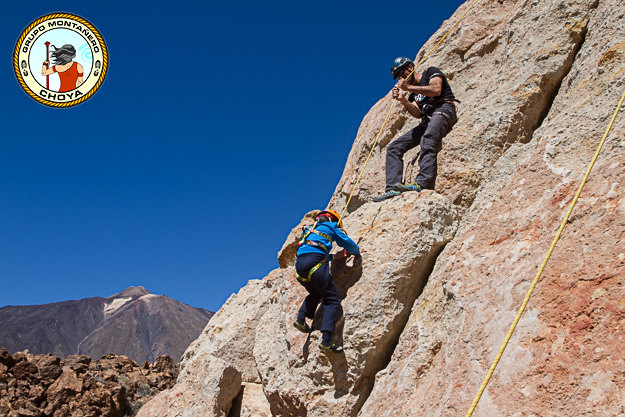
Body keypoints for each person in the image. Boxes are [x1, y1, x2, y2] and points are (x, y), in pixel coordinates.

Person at [373, 57, 458, 202]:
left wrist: (409, 88)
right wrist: (403, 100)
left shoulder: (430, 73)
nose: (400, 77)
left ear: (411, 68)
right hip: (427, 119)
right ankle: (392, 188)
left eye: (401, 72)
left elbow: (436, 89)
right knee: (394, 147)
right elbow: (418, 114)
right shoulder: (413, 95)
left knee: (428, 137)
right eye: (397, 76)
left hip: (444, 109)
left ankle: (421, 183)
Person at [293, 209, 360, 353]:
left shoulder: (309, 231)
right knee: (332, 299)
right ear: (332, 219)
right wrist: (356, 251)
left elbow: (312, 252)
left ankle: (301, 318)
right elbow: (347, 243)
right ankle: (326, 340)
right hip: (315, 263)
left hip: (300, 266)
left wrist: (333, 257)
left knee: (316, 293)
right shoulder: (331, 226)